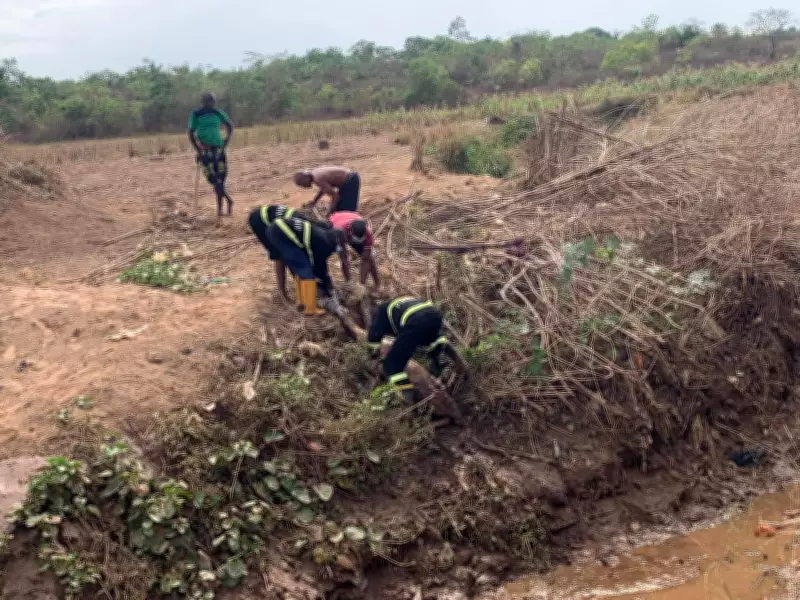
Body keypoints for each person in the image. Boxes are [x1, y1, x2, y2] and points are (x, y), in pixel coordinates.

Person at [367, 297, 464, 402]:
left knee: (392, 364)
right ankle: (443, 364)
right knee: (431, 341)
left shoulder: (382, 310)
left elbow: (373, 338)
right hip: (434, 315)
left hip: (415, 321)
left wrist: (374, 357)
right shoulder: (400, 302)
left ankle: (409, 398)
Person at [266, 216, 346, 315]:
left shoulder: (324, 236)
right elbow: (319, 267)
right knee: (306, 269)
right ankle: (310, 309)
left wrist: (325, 281)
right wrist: (326, 286)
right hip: (282, 232)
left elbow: (320, 263)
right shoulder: (325, 244)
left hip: (276, 228)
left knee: (301, 267)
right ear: (337, 242)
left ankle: (302, 302)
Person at [188, 92, 234, 217]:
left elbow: (230, 125)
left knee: (221, 179)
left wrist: (226, 140)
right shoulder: (196, 114)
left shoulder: (218, 113)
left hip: (219, 149)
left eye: (213, 101)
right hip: (205, 149)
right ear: (203, 102)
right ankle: (229, 201)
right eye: (209, 101)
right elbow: (191, 133)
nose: (211, 104)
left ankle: (220, 209)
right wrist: (198, 150)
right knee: (213, 179)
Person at [328, 211, 380, 294]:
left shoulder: (368, 234)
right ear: (350, 232)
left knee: (369, 258)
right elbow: (344, 258)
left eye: (361, 239)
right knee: (343, 256)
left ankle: (377, 284)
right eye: (356, 239)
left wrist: (362, 284)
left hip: (354, 217)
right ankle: (348, 281)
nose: (358, 242)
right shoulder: (340, 231)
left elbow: (366, 260)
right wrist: (349, 282)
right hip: (335, 220)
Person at [294, 166, 361, 214]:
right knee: (340, 208)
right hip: (347, 181)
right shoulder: (314, 174)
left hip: (350, 180)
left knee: (347, 211)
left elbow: (335, 196)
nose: (304, 187)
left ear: (305, 178)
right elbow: (323, 189)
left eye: (302, 184)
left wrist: (330, 212)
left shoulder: (318, 178)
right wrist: (314, 201)